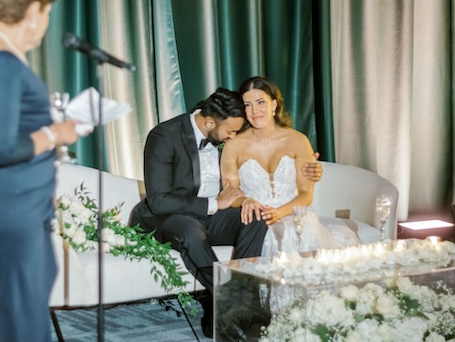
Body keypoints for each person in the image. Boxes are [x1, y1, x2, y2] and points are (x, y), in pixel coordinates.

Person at [129, 87, 322, 338]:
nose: (233, 138)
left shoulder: (224, 128)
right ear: (209, 122)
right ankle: (236, 306)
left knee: (257, 218)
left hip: (210, 215)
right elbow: (158, 200)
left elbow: (247, 163)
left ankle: (229, 307)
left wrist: (248, 200)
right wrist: (214, 205)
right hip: (166, 217)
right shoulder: (164, 136)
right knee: (191, 231)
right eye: (230, 132)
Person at [0, 0, 82, 342]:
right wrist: (56, 133)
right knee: (20, 306)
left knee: (2, 303)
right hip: (13, 201)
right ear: (33, 11)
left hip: (14, 196)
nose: (46, 22)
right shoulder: (2, 60)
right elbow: (1, 146)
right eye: (46, 13)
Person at [221, 77, 360, 261]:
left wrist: (278, 213)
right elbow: (231, 193)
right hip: (257, 220)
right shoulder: (234, 145)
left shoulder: (298, 140)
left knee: (299, 232)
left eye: (261, 102)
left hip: (294, 214)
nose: (255, 111)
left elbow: (305, 194)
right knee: (269, 234)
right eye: (248, 105)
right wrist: (246, 201)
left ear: (274, 104)